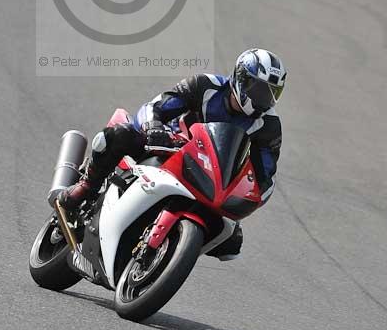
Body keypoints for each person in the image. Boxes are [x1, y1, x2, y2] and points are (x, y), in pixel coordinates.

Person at [59, 48, 286, 259]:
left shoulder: (268, 126)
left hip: (210, 179)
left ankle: (172, 249)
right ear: (241, 78)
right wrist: (154, 127)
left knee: (231, 242)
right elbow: (156, 106)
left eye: (271, 94)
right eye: (258, 90)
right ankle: (86, 186)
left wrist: (249, 198)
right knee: (119, 135)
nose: (263, 100)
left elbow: (264, 176)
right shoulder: (206, 85)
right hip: (169, 146)